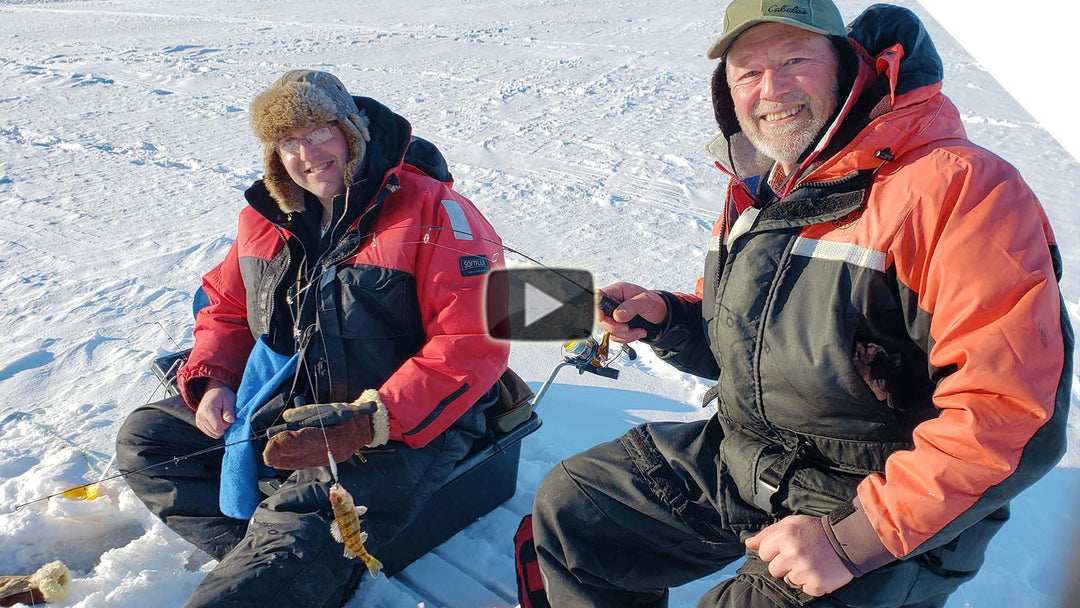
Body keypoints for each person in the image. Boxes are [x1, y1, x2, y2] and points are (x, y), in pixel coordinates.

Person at [532, 2, 1072, 607]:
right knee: (579, 510)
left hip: (881, 495)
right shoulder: (764, 188)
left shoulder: (957, 189)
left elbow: (1009, 413)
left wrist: (852, 541)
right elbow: (755, 347)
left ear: (845, 65)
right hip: (751, 458)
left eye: (795, 60)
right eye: (749, 71)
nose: (773, 89)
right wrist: (672, 320)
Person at [115, 70, 511, 608]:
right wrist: (214, 380)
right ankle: (284, 566)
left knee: (289, 540)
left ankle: (285, 564)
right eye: (287, 140)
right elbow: (226, 307)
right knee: (148, 439)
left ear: (352, 130)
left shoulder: (439, 214)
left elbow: (474, 342)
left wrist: (372, 420)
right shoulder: (266, 217)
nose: (307, 152)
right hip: (291, 400)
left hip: (404, 426)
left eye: (320, 130)